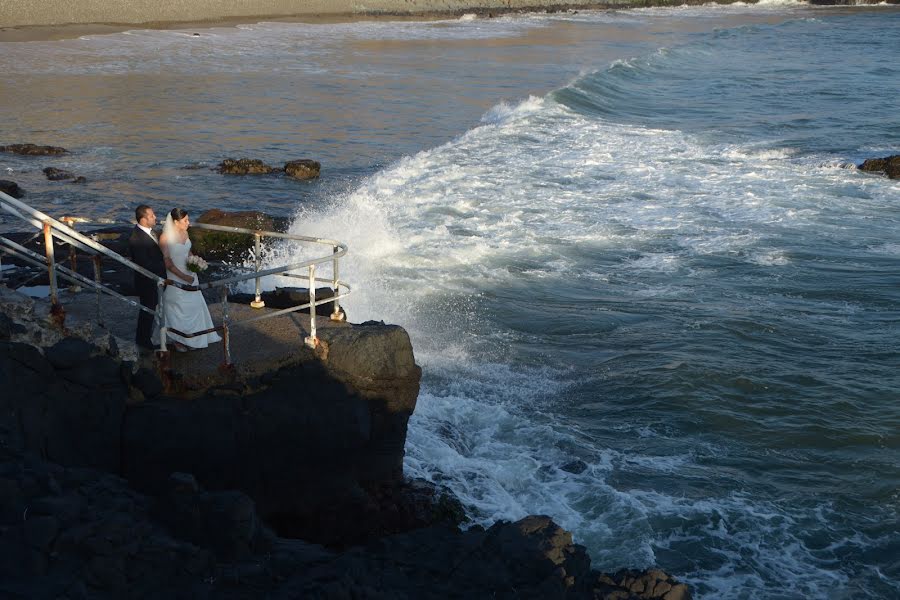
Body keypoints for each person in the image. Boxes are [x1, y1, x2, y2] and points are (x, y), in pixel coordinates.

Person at [155, 208, 221, 350]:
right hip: (175, 276)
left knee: (195, 305)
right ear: (176, 222)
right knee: (177, 307)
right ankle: (178, 338)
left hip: (190, 274)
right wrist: (183, 277)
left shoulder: (185, 233)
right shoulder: (165, 238)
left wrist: (196, 262)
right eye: (185, 220)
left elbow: (188, 251)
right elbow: (168, 262)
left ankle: (195, 336)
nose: (188, 223)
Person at [128, 205, 166, 350]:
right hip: (146, 281)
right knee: (147, 310)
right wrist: (166, 266)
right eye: (151, 216)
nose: (155, 217)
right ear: (143, 219)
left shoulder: (152, 232)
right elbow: (144, 263)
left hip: (156, 279)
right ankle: (143, 340)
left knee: (151, 309)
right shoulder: (136, 238)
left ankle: (146, 337)